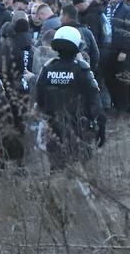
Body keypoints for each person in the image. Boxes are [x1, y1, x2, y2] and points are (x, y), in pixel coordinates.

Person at [32, 26, 104, 170]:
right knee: (81, 167)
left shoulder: (47, 68)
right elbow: (94, 98)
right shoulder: (82, 69)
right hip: (78, 126)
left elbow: (38, 97)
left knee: (57, 166)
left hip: (53, 125)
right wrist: (99, 124)